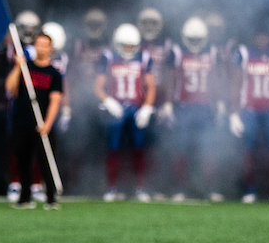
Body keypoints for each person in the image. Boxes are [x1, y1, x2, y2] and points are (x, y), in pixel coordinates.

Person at [229, 23, 269, 203]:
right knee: (249, 150)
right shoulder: (243, 53)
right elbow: (235, 84)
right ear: (253, 37)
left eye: (265, 36)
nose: (262, 40)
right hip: (250, 108)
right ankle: (249, 189)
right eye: (259, 36)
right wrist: (234, 113)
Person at [95, 23, 155, 202]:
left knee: (139, 147)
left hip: (136, 108)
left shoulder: (144, 57)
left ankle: (141, 188)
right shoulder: (107, 57)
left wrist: (147, 107)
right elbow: (98, 86)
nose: (128, 49)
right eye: (125, 45)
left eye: (131, 46)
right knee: (113, 148)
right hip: (116, 108)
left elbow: (150, 86)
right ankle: (111, 187)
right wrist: (107, 100)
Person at [166, 17, 223, 202]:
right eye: (192, 39)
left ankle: (211, 188)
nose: (195, 43)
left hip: (205, 108)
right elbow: (171, 79)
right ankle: (180, 189)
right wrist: (168, 103)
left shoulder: (213, 53)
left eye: (198, 39)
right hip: (184, 107)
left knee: (208, 150)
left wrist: (220, 102)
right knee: (181, 149)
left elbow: (217, 79)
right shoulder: (176, 52)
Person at [6, 30, 63, 209]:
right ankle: (25, 197)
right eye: (38, 44)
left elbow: (55, 100)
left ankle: (51, 198)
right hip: (22, 121)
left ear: (50, 48)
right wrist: (18, 66)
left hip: (42, 123)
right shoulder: (25, 68)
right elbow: (10, 89)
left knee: (46, 160)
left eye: (45, 45)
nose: (41, 48)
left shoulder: (54, 73)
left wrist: (47, 123)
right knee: (23, 160)